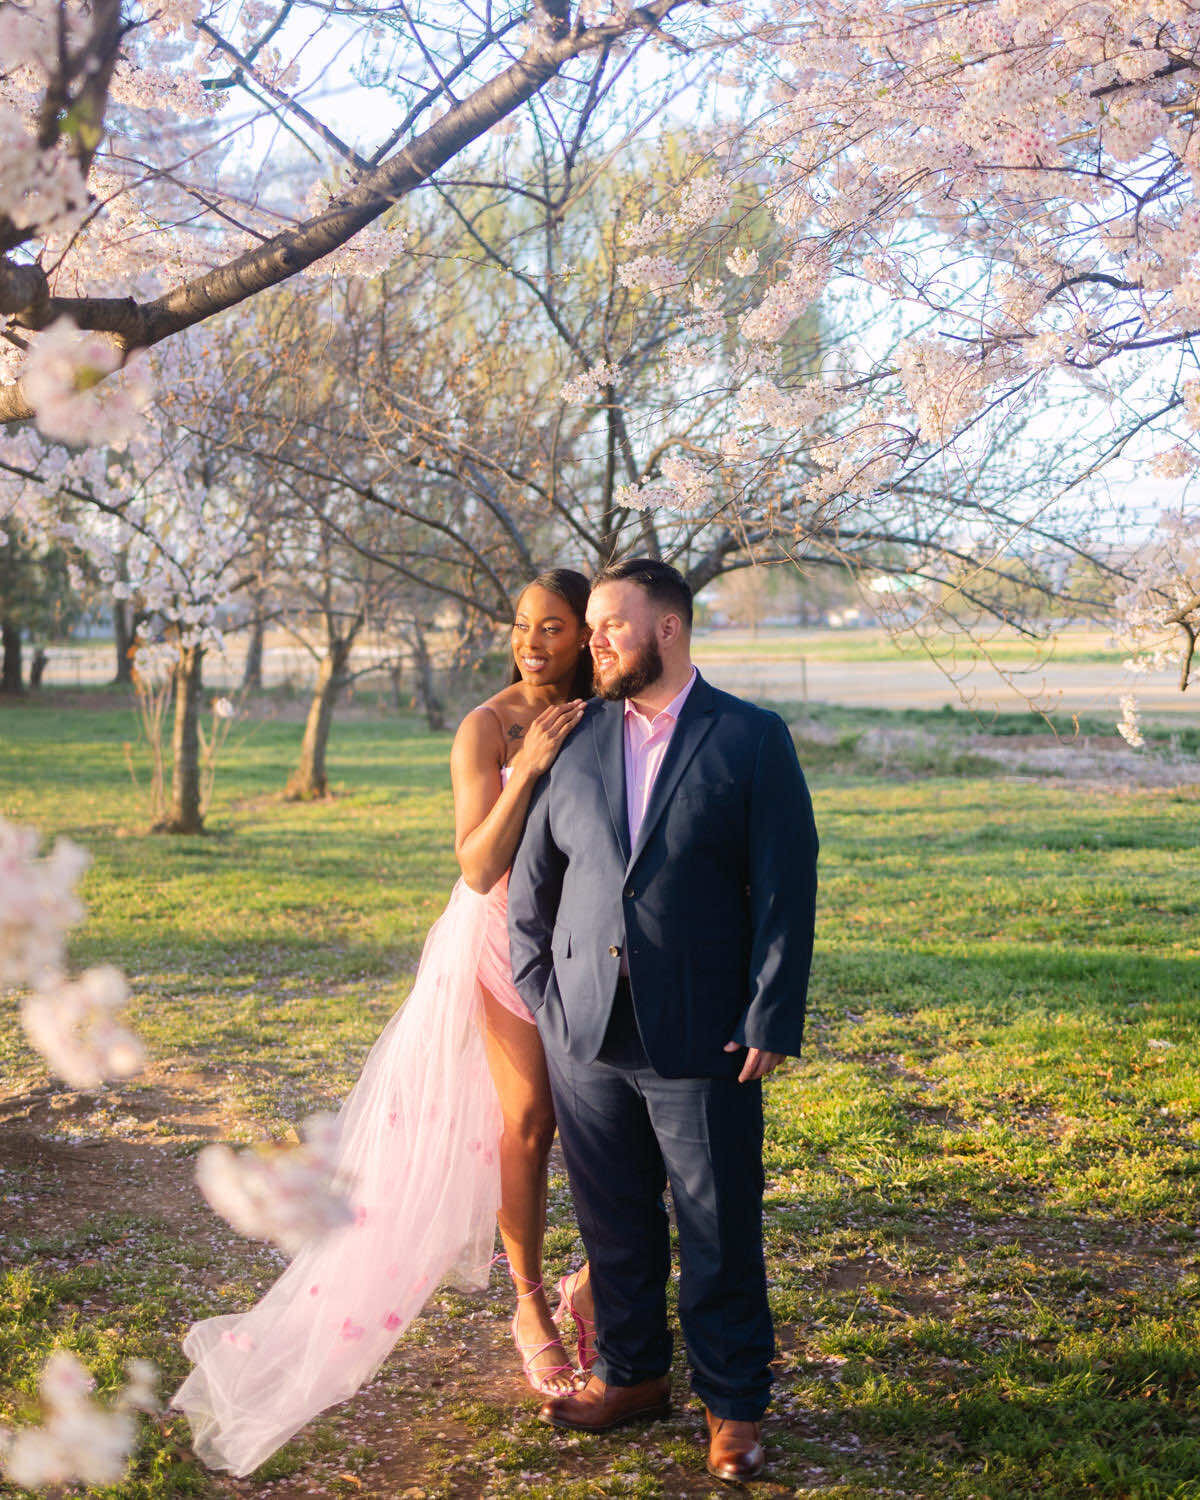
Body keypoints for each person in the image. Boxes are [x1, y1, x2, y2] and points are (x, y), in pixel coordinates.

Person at [174, 569, 596, 1476]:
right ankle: (528, 1301)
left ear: (587, 634)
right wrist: (524, 770)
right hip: (501, 937)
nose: (531, 642)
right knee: (529, 1123)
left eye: (553, 627)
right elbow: (478, 866)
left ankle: (596, 1283)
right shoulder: (487, 727)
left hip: (597, 941)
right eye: (522, 626)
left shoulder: (607, 710)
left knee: (617, 1119)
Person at [507, 557, 819, 1484]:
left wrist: (770, 1009)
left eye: (609, 625)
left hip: (705, 1033)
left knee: (718, 1224)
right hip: (586, 1031)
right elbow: (534, 884)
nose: (590, 641)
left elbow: (786, 888)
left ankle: (734, 1409)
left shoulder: (751, 738)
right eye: (591, 625)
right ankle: (634, 1377)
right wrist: (546, 1000)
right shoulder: (576, 735)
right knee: (612, 1221)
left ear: (668, 628)